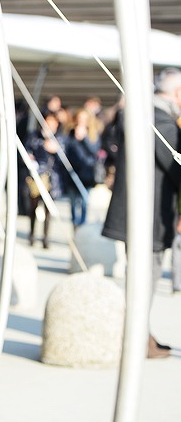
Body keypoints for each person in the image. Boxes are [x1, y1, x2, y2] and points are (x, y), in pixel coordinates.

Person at [102, 67, 181, 358]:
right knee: (145, 280)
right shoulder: (161, 122)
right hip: (149, 217)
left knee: (141, 278)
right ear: (177, 93)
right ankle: (137, 338)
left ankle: (141, 333)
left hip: (138, 213)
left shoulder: (139, 115)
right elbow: (176, 167)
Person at [25, 111, 65, 248]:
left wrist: (56, 150)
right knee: (33, 207)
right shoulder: (35, 136)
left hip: (52, 178)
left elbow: (63, 158)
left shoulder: (59, 138)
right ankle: (32, 234)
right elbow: (28, 150)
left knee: (48, 209)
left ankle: (45, 237)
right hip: (36, 176)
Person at [63, 108, 100, 228]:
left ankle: (83, 224)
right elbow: (65, 149)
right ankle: (74, 224)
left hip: (87, 173)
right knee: (73, 201)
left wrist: (84, 139)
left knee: (84, 201)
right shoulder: (70, 133)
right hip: (72, 172)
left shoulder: (93, 134)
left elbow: (95, 151)